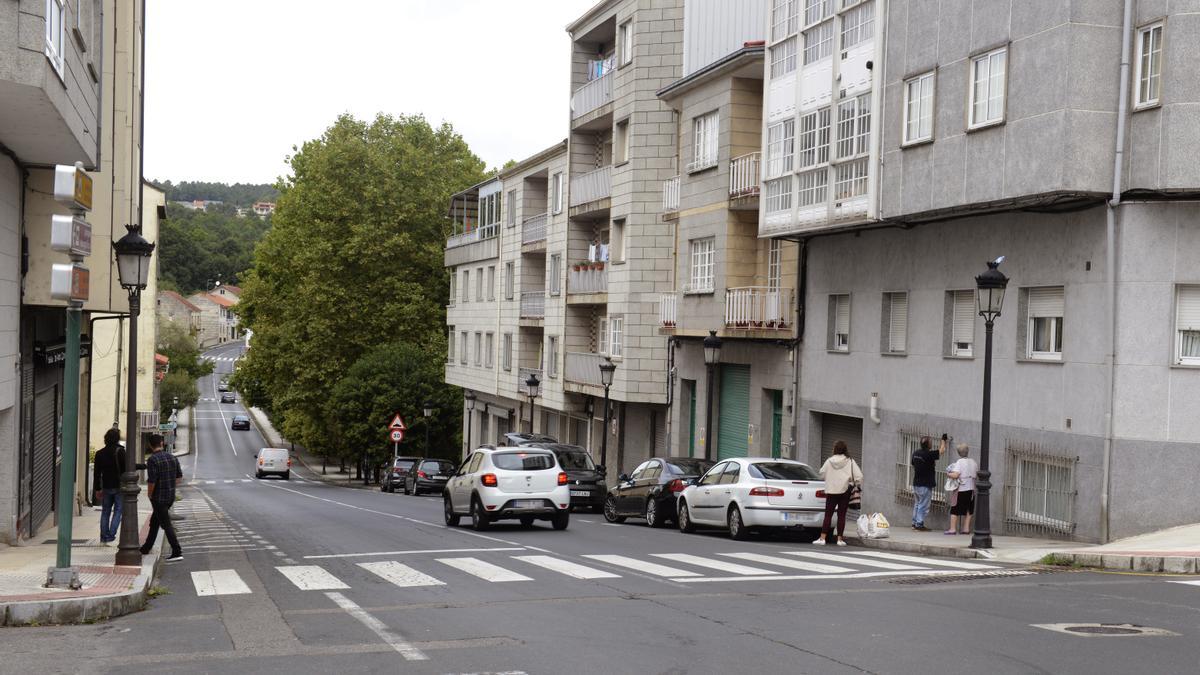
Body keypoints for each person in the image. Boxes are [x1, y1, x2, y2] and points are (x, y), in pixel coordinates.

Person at [140, 433, 184, 562]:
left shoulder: (153, 460)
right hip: (170, 497)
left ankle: (177, 551)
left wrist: (150, 494)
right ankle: (146, 547)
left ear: (150, 445)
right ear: (161, 443)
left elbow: (152, 481)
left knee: (166, 524)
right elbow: (179, 477)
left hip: (158, 498)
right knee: (155, 522)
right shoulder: (172, 457)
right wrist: (169, 485)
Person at [814, 440, 862, 546]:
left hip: (831, 491)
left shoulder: (829, 461)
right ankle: (840, 539)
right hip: (845, 491)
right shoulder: (850, 461)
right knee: (841, 515)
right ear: (845, 450)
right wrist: (852, 484)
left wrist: (830, 478)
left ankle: (822, 538)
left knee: (828, 515)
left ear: (835, 449)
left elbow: (821, 474)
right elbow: (859, 476)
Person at [92, 428, 126, 546]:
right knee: (118, 510)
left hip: (106, 486)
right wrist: (142, 466)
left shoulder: (99, 453)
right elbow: (126, 468)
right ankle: (111, 535)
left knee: (105, 512)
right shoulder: (120, 451)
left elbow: (96, 473)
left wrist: (97, 488)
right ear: (117, 439)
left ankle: (103, 538)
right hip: (119, 486)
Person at [910, 435, 945, 531]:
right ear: (928, 444)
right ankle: (919, 524)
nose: (931, 443)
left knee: (917, 504)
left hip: (916, 483)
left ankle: (914, 523)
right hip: (925, 484)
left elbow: (913, 464)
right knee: (923, 505)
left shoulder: (915, 453)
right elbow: (941, 450)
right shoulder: (928, 454)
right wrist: (943, 440)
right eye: (931, 442)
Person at [945, 443, 978, 535]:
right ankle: (966, 529)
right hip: (971, 489)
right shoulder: (973, 462)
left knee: (955, 508)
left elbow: (956, 475)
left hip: (961, 489)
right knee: (969, 509)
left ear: (959, 453)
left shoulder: (959, 462)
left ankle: (952, 529)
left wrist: (948, 474)